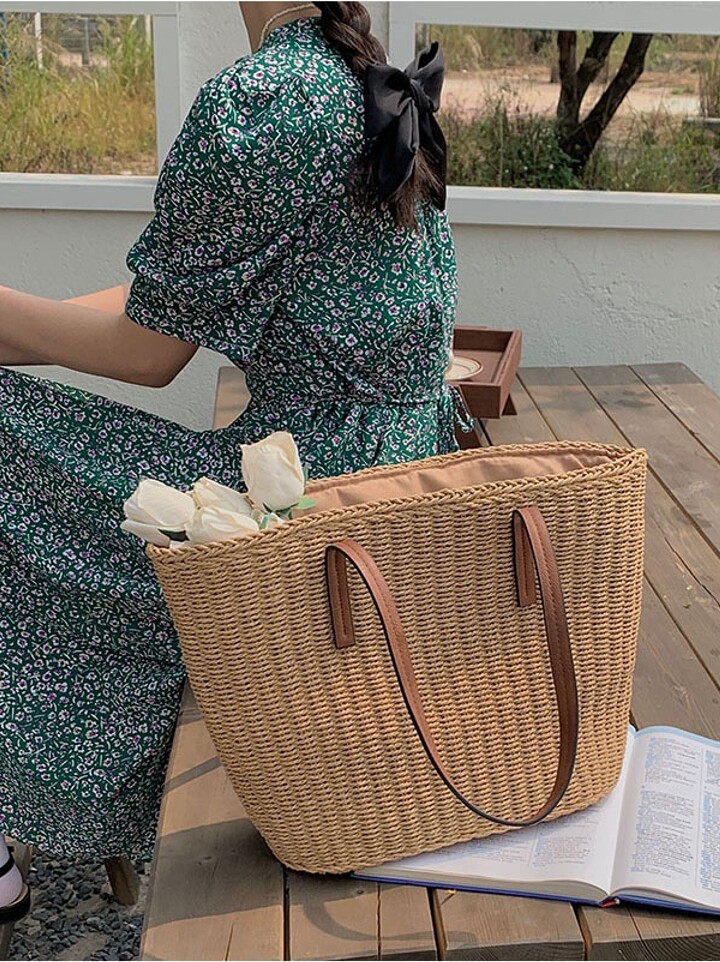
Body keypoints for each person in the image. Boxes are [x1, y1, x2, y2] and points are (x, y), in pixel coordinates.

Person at [0, 1, 457, 920]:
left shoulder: (265, 100)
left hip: (301, 515)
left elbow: (149, 354)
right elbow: (172, 299)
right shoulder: (344, 77)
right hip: (389, 478)